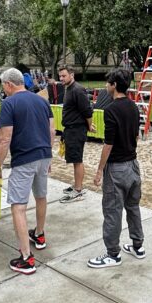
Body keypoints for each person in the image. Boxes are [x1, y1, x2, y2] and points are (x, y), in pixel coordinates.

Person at [0, 68, 55, 275]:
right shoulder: (42, 101)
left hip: (24, 159)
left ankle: (27, 258)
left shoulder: (9, 103)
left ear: (9, 84)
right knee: (41, 196)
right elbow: (51, 129)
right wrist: (49, 154)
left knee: (18, 206)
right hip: (43, 154)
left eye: (3, 85)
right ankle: (39, 234)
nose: (3, 89)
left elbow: (4, 138)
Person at [88, 69, 144, 268]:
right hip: (133, 166)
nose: (106, 86)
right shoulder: (133, 106)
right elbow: (136, 135)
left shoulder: (111, 110)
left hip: (117, 168)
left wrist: (99, 170)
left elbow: (108, 144)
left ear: (114, 85)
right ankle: (138, 245)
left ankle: (113, 254)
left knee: (112, 211)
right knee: (133, 207)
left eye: (108, 83)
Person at [59, 65, 95, 203]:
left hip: (76, 130)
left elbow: (87, 111)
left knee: (77, 159)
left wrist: (89, 125)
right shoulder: (68, 88)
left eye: (64, 76)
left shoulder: (78, 90)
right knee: (74, 159)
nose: (61, 78)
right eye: (60, 76)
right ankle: (76, 185)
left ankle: (78, 190)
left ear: (71, 75)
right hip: (70, 129)